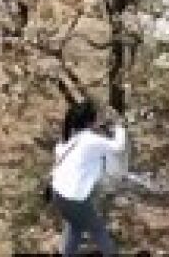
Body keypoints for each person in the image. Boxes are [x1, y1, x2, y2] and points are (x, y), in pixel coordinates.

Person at [50, 100, 126, 257]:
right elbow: (118, 147)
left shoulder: (69, 140)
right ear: (90, 121)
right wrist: (119, 126)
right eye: (97, 116)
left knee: (76, 226)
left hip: (58, 195)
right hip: (75, 198)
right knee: (98, 229)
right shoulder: (90, 140)